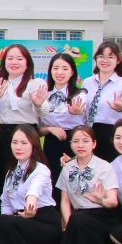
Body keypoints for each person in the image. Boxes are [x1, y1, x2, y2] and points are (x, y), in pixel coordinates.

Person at [0, 125, 61, 244]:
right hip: (19, 221)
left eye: (24, 143)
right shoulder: (11, 172)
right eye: (15, 142)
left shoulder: (41, 170)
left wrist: (30, 206)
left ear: (34, 145)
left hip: (43, 222)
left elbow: (34, 191)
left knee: (0, 222)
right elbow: (5, 202)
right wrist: (6, 226)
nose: (18, 147)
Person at [51, 125, 120, 244]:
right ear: (70, 144)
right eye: (76, 141)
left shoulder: (104, 167)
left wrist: (101, 200)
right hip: (77, 217)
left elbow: (113, 201)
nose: (80, 145)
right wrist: (68, 223)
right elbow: (65, 200)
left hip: (102, 215)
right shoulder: (67, 168)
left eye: (85, 141)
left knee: (79, 220)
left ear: (94, 144)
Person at [0, 43, 45, 205]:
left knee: (27, 174)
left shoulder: (35, 84)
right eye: (10, 58)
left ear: (27, 63)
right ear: (4, 62)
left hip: (27, 133)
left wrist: (39, 104)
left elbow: (45, 111)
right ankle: (5, 212)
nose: (14, 62)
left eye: (19, 59)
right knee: (5, 175)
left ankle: (29, 208)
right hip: (5, 134)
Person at [38, 52, 86, 190]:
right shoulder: (44, 94)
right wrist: (50, 129)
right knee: (52, 181)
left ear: (72, 72)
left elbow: (82, 111)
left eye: (65, 68)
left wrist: (76, 111)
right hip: (51, 142)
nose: (59, 72)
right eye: (56, 68)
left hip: (74, 141)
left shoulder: (79, 94)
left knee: (73, 182)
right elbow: (37, 129)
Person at [82, 41, 122, 162]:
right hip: (89, 133)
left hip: (111, 133)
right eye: (101, 56)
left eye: (110, 57)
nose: (105, 60)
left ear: (118, 60)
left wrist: (121, 106)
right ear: (96, 58)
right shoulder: (87, 82)